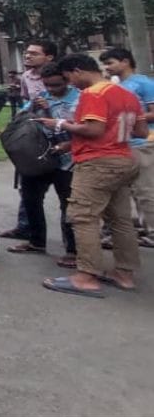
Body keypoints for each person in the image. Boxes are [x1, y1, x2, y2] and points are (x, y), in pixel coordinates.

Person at [41, 53, 147, 297]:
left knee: (83, 217)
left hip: (96, 163)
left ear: (77, 71)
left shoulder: (93, 94)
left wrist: (60, 124)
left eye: (69, 78)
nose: (70, 83)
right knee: (120, 220)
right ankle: (125, 273)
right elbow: (141, 130)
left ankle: (86, 276)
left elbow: (94, 129)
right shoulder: (127, 94)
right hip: (124, 158)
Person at [10, 62, 80, 263]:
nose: (51, 89)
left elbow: (85, 128)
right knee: (30, 198)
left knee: (68, 204)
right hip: (40, 157)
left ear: (67, 80)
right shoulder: (41, 97)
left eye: (56, 85)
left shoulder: (80, 98)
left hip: (68, 159)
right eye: (47, 85)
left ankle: (72, 249)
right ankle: (36, 241)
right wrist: (33, 107)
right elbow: (20, 118)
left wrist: (51, 112)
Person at [1, 40, 58, 240]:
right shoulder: (26, 76)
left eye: (34, 53)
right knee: (28, 187)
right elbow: (26, 101)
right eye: (26, 52)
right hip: (34, 137)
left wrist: (49, 104)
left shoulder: (62, 74)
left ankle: (76, 241)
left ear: (49, 57)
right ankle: (27, 229)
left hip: (60, 135)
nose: (27, 56)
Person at [99, 47, 154, 247]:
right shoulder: (115, 85)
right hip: (122, 144)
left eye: (110, 63)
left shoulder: (143, 83)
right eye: (105, 64)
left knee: (145, 190)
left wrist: (128, 118)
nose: (107, 67)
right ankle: (135, 228)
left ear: (125, 61)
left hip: (144, 143)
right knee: (125, 191)